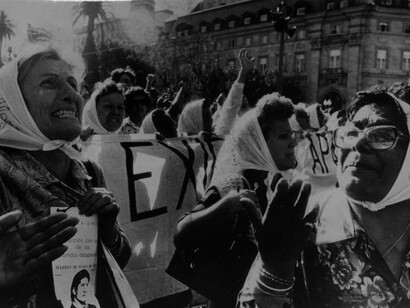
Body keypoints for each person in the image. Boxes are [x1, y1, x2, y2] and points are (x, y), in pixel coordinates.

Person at [239, 88, 410, 307]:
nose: (357, 143)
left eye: (381, 135)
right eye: (350, 133)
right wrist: (273, 275)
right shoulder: (304, 223)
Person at [0, 43, 132, 307]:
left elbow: (119, 261)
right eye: (50, 83)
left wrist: (108, 232)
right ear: (14, 103)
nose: (71, 94)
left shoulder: (89, 171)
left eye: (73, 83)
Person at [174, 92, 298, 308]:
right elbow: (181, 232)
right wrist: (226, 205)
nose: (293, 142)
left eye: (292, 134)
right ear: (257, 143)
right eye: (283, 136)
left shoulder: (270, 183)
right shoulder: (234, 183)